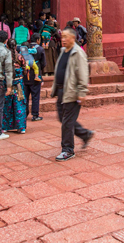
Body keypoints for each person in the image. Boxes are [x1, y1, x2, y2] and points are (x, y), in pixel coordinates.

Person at [51, 27, 94, 161]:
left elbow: (83, 74)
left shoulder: (78, 53)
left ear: (73, 38)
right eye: (62, 37)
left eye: (66, 37)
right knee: (62, 118)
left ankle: (68, 150)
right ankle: (85, 134)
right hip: (60, 90)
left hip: (72, 91)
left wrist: (82, 91)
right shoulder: (63, 51)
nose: (63, 40)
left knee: (67, 122)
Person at [2, 39, 27, 134]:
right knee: (19, 104)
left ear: (7, 46)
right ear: (16, 46)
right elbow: (24, 70)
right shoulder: (20, 57)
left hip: (7, 84)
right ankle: (21, 127)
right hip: (19, 84)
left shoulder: (4, 57)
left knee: (7, 105)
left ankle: (5, 127)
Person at [24, 33, 46, 121]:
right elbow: (44, 63)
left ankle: (24, 113)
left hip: (26, 74)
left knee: (25, 96)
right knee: (35, 96)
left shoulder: (25, 48)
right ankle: (35, 114)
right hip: (36, 75)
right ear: (38, 40)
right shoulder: (40, 49)